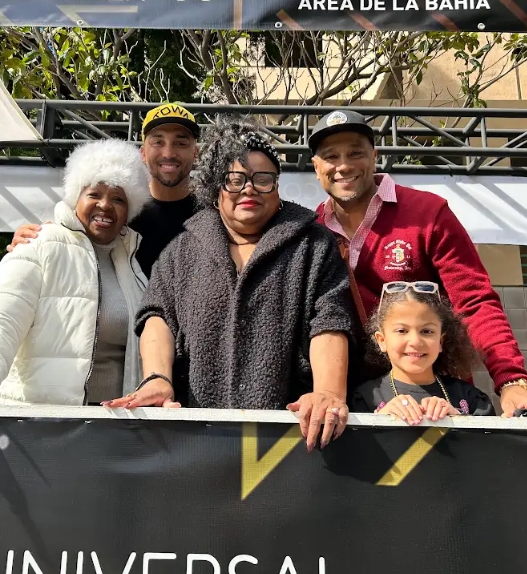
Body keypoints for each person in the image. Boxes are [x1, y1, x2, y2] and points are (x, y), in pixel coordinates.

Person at [103, 118, 358, 451]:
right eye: (234, 180)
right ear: (215, 188)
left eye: (262, 179)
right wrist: (157, 378)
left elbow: (330, 321)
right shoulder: (182, 250)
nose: (249, 189)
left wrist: (328, 392)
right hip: (194, 437)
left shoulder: (314, 245)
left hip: (290, 440)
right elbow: (157, 316)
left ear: (277, 186)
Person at [308, 109, 527, 423]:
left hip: (439, 400)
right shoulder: (310, 230)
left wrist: (511, 381)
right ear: (317, 167)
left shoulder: (427, 213)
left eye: (355, 152)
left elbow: (474, 301)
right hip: (355, 404)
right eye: (330, 156)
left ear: (374, 156)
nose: (343, 165)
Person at [0, 139, 151, 450]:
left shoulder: (133, 267)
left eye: (118, 198)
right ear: (76, 196)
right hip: (41, 431)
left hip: (113, 435)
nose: (105, 205)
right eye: (94, 194)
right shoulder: (39, 245)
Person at [8, 103, 201, 278]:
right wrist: (32, 242)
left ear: (195, 152)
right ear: (142, 152)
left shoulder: (214, 215)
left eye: (181, 143)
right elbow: (69, 240)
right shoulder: (120, 211)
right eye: (158, 142)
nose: (168, 153)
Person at [352, 281, 496, 422]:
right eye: (402, 331)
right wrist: (379, 421)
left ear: (441, 341)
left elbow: (491, 443)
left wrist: (458, 420)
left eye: (427, 331)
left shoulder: (471, 398)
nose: (415, 341)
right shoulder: (365, 398)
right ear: (382, 340)